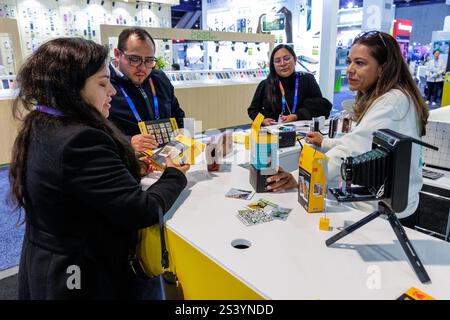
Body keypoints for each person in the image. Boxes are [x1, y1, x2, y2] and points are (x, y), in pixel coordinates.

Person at [9, 38, 190, 299]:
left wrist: (126, 169)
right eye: (103, 83)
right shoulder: (79, 139)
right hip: (78, 274)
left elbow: (78, 187)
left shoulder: (44, 121)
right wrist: (175, 175)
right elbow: (142, 210)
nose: (112, 92)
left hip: (49, 261)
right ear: (72, 88)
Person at [267, 31, 429, 220]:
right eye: (350, 61)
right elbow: (365, 142)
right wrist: (325, 143)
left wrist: (298, 178)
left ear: (383, 68)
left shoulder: (391, 103)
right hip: (388, 204)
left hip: (384, 213)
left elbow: (351, 152)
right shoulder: (394, 97)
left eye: (360, 63)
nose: (350, 69)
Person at [109, 27, 185, 152]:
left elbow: (177, 114)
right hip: (127, 161)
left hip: (167, 157)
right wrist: (127, 142)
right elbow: (94, 131)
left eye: (149, 60)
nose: (142, 68)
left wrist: (182, 135)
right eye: (135, 59)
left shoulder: (159, 78)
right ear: (118, 54)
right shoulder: (105, 84)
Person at [247, 44, 332, 126]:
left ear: (295, 59)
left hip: (301, 131)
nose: (283, 63)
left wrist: (297, 116)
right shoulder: (265, 84)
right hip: (272, 132)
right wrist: (262, 120)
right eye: (277, 61)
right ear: (273, 65)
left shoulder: (307, 80)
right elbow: (252, 110)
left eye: (287, 58)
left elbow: (322, 107)